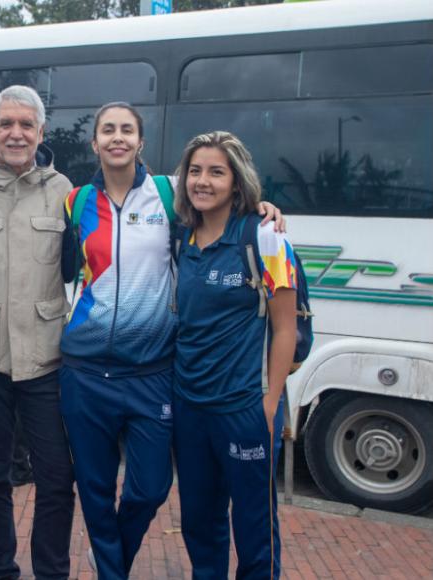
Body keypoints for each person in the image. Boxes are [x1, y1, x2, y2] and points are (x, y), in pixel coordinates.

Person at [59, 103, 284, 579]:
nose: (116, 138)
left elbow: (220, 200)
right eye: (107, 130)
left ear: (141, 142)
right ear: (94, 142)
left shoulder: (168, 195)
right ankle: (112, 572)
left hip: (151, 374)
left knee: (150, 489)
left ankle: (114, 559)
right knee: (96, 492)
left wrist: (262, 208)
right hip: (84, 372)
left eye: (127, 130)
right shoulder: (75, 201)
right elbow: (64, 271)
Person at [0, 85, 75, 580]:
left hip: (46, 360)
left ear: (41, 132)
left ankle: (51, 571)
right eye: (6, 123)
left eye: (26, 124)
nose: (16, 133)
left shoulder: (63, 189)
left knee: (56, 477)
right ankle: (0, 568)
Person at [171, 131, 297, 579]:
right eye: (195, 171)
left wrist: (271, 403)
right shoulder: (181, 238)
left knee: (253, 527)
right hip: (190, 407)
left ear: (237, 182)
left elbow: (286, 328)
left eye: (216, 172)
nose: (202, 181)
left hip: (244, 407)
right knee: (199, 524)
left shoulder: (264, 236)